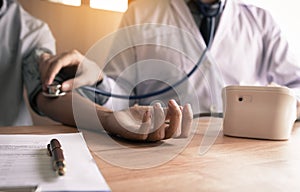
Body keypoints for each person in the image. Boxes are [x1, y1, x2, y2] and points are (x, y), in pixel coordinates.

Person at [40, 0, 300, 117]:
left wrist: (278, 108)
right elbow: (120, 95)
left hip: (243, 149)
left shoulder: (261, 21)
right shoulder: (141, 13)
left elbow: (296, 85)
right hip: (165, 144)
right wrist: (97, 80)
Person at [1, 0, 193, 142]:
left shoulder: (29, 31)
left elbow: (49, 96)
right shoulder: (140, 11)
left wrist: (109, 117)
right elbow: (123, 89)